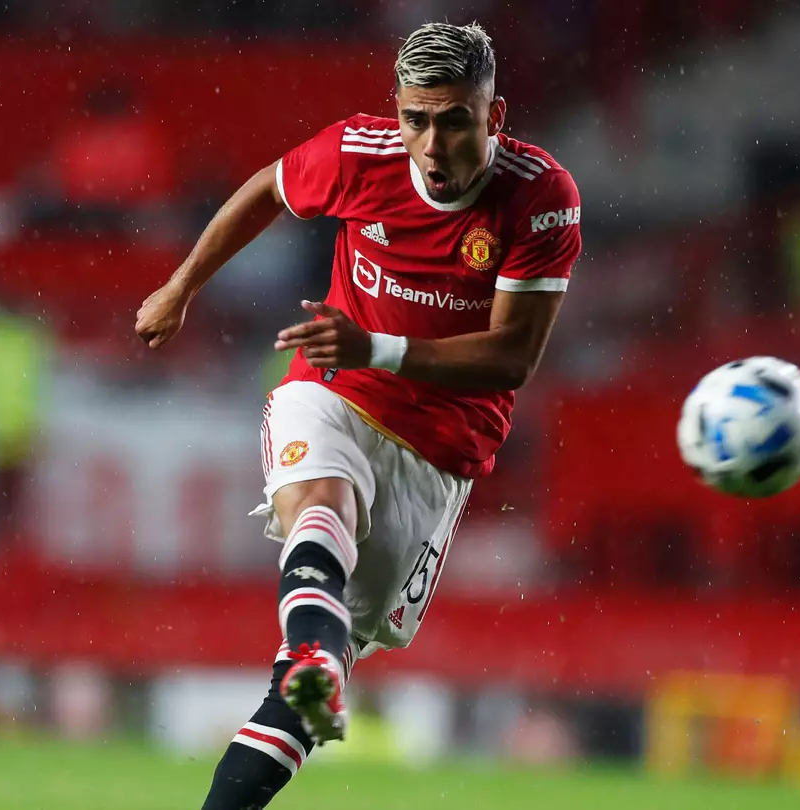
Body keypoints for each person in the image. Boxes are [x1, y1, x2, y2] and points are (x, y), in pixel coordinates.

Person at [133, 21, 581, 809]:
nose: (433, 144)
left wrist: (377, 345)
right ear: (396, 111)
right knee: (320, 503)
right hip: (335, 393)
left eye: (454, 120)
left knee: (297, 710)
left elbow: (512, 356)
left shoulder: (540, 198)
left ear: (495, 115)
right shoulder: (359, 154)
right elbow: (269, 187)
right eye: (417, 118)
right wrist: (182, 285)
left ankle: (314, 667)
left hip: (438, 456)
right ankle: (311, 650)